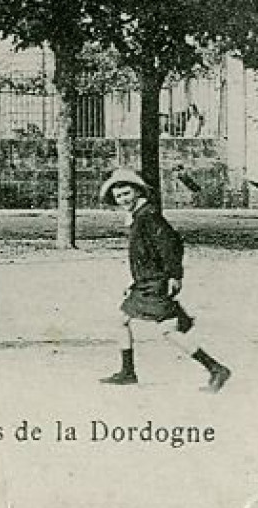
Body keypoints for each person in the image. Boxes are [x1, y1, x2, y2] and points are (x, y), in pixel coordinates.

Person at [98, 167, 232, 393]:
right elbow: (143, 256)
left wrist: (174, 275)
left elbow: (172, 245)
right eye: (118, 196)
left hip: (156, 282)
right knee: (121, 320)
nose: (122, 200)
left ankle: (216, 369)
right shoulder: (138, 217)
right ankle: (128, 372)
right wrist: (134, 283)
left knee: (168, 331)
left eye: (126, 194)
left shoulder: (149, 216)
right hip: (145, 281)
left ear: (138, 192)